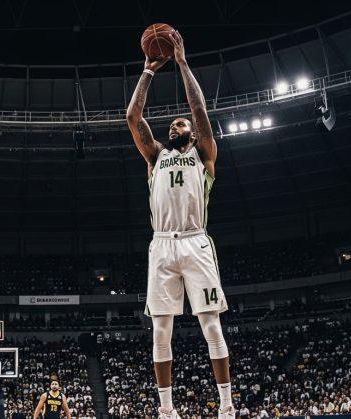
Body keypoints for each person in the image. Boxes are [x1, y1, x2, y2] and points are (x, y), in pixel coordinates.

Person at [125, 30, 233, 419]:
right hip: (162, 245)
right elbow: (133, 118)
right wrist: (148, 73)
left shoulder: (204, 154)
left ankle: (226, 407)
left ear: (192, 133)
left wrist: (183, 63)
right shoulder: (155, 156)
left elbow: (201, 113)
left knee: (211, 327)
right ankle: (167, 411)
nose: (175, 127)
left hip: (195, 242)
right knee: (160, 331)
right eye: (171, 126)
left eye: (180, 124)